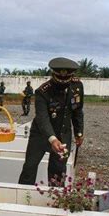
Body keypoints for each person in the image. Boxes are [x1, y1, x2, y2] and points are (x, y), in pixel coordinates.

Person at [18, 57, 84, 185]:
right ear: (53, 75)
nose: (63, 83)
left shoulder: (77, 86)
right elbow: (42, 118)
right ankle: (23, 195)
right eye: (60, 80)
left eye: (66, 80)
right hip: (40, 135)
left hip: (63, 134)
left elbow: (77, 110)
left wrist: (79, 133)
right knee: (30, 167)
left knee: (58, 170)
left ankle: (55, 198)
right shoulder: (43, 91)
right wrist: (52, 138)